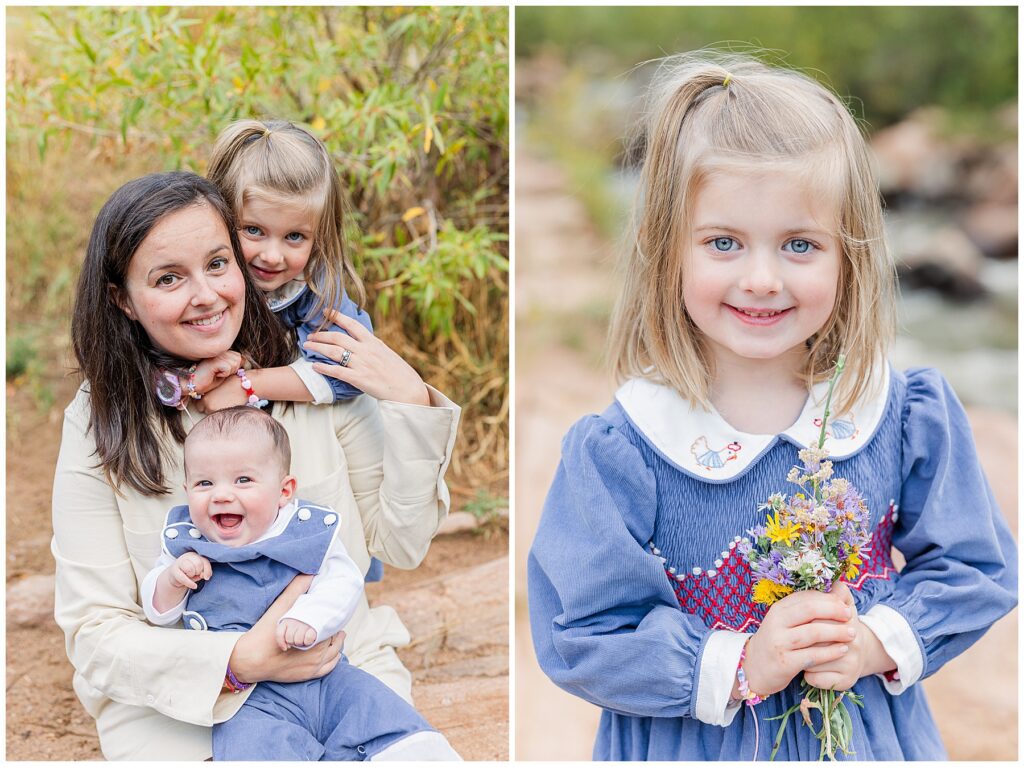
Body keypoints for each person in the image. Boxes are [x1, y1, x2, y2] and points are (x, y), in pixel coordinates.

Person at [527, 52, 1017, 761]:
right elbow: (581, 631)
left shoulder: (897, 412)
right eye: (723, 242)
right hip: (693, 741)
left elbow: (975, 565)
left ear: (850, 254)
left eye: (799, 244)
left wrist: (872, 640)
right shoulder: (626, 447)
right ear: (668, 250)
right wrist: (744, 662)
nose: (762, 278)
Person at [53, 171, 460, 760]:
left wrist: (411, 403)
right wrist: (237, 661)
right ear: (122, 298)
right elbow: (95, 632)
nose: (207, 295)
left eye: (218, 264)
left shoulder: (311, 382)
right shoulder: (99, 422)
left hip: (336, 677)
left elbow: (401, 544)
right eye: (169, 278)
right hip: (180, 710)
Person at [142, 406, 459, 760]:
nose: (220, 495)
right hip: (245, 697)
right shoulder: (186, 543)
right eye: (204, 483)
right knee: (254, 747)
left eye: (243, 480)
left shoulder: (304, 531)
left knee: (375, 711)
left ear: (284, 490)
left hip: (324, 675)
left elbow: (343, 580)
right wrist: (173, 581)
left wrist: (309, 617)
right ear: (186, 490)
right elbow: (159, 614)